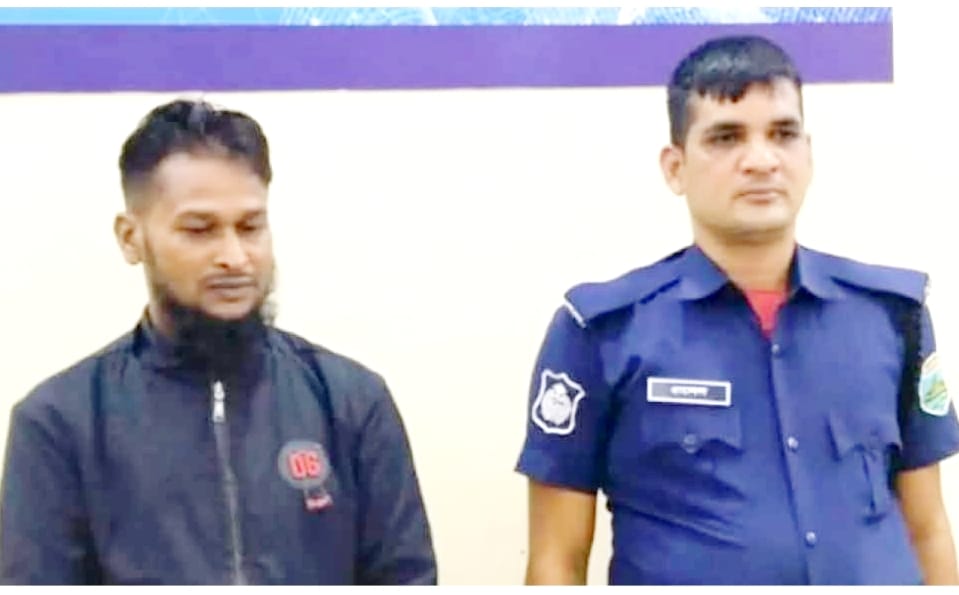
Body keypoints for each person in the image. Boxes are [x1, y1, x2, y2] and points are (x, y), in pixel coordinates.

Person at [516, 34, 959, 585]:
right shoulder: (602, 332)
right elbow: (556, 559)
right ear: (675, 168)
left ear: (808, 154)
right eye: (726, 138)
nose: (761, 161)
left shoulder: (893, 318)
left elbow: (927, 530)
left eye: (783, 134)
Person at [0, 99, 436, 585]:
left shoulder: (351, 402)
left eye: (250, 227)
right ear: (131, 238)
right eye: (200, 230)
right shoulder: (60, 424)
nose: (235, 256)